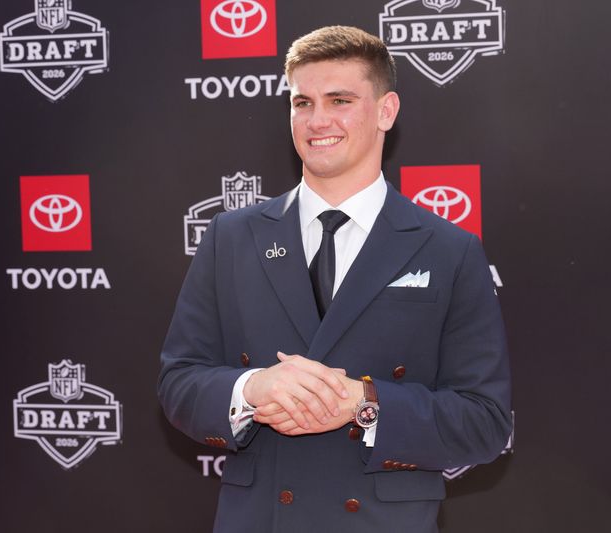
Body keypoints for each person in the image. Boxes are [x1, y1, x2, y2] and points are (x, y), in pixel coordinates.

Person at [158, 25, 512, 533]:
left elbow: (486, 422)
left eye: (340, 99)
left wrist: (363, 404)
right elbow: (177, 384)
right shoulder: (231, 237)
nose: (317, 120)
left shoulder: (449, 249)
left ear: (386, 111)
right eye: (302, 102)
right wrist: (252, 388)